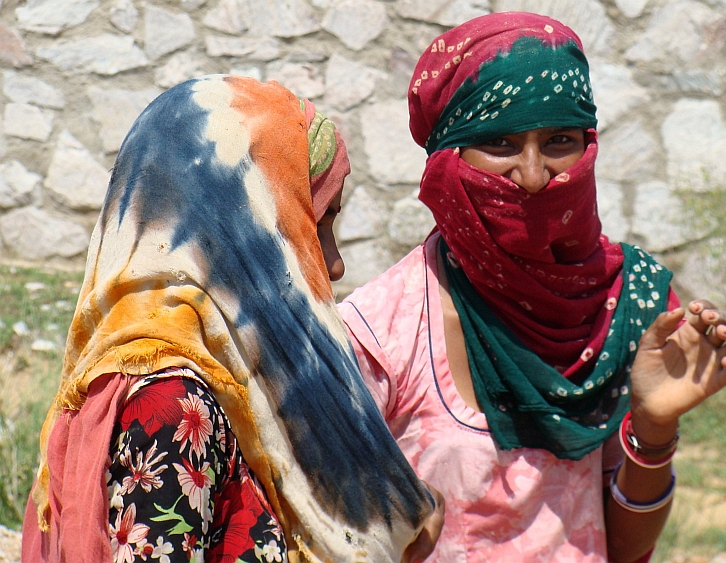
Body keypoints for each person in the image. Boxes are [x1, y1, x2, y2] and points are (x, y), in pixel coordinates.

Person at [338, 12, 726, 563]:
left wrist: (653, 426)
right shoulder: (380, 333)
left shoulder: (624, 304)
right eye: (500, 142)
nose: (533, 175)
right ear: (448, 159)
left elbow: (623, 549)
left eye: (559, 140)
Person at [22, 75, 441, 563]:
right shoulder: (172, 406)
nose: (333, 262)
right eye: (312, 227)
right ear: (247, 235)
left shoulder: (236, 386)